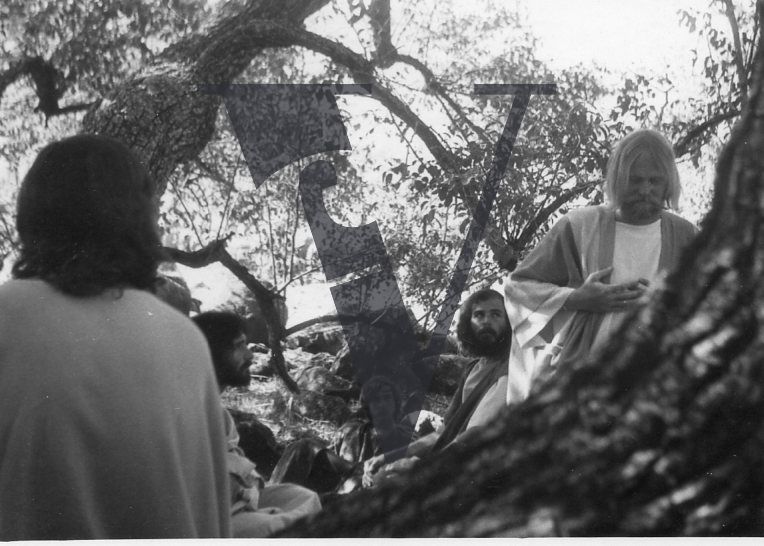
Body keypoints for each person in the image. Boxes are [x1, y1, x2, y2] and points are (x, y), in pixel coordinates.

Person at [0, 134, 231, 539]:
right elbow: (211, 516)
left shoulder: (6, 315)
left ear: (31, 217)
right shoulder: (187, 340)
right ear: (143, 222)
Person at [504, 129, 698, 404]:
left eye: (655, 181)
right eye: (635, 180)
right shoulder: (579, 226)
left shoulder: (686, 236)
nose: (645, 190)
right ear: (618, 179)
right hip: (577, 382)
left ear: (669, 182)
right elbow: (519, 287)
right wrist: (577, 298)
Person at [362, 288, 511, 486]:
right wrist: (388, 457)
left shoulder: (509, 368)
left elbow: (475, 435)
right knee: (378, 475)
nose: (486, 321)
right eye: (479, 315)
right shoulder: (472, 369)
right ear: (468, 322)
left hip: (481, 465)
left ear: (509, 321)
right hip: (451, 458)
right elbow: (442, 432)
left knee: (387, 482)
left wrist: (422, 466)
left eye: (496, 314)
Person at [192, 311, 322, 537]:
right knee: (275, 525)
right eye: (239, 346)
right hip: (210, 517)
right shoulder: (188, 409)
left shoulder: (219, 413)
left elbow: (238, 466)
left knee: (303, 497)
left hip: (239, 502)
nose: (250, 355)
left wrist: (251, 489)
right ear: (212, 352)